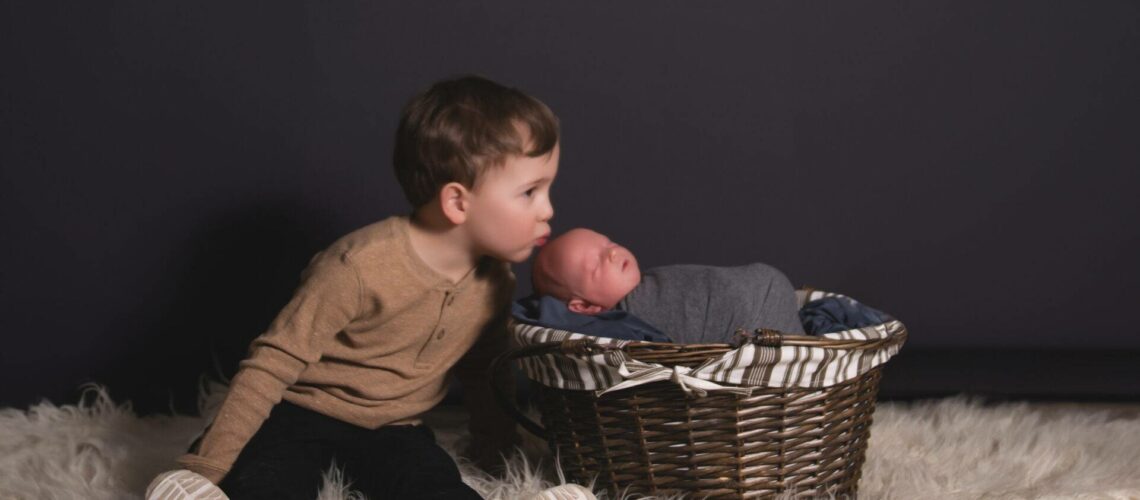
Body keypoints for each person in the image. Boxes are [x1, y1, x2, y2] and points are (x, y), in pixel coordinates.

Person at [146, 75, 595, 500]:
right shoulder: (358, 265)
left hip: (395, 427)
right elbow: (272, 363)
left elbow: (484, 373)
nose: (547, 210)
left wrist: (499, 460)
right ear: (458, 201)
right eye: (530, 192)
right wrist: (206, 466)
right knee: (270, 479)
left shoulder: (494, 280)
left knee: (435, 485)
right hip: (302, 411)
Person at [525, 228, 804, 344]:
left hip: (760, 291)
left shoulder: (652, 279)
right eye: (597, 264)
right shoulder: (623, 325)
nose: (612, 253)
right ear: (584, 307)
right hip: (752, 320)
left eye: (608, 243)